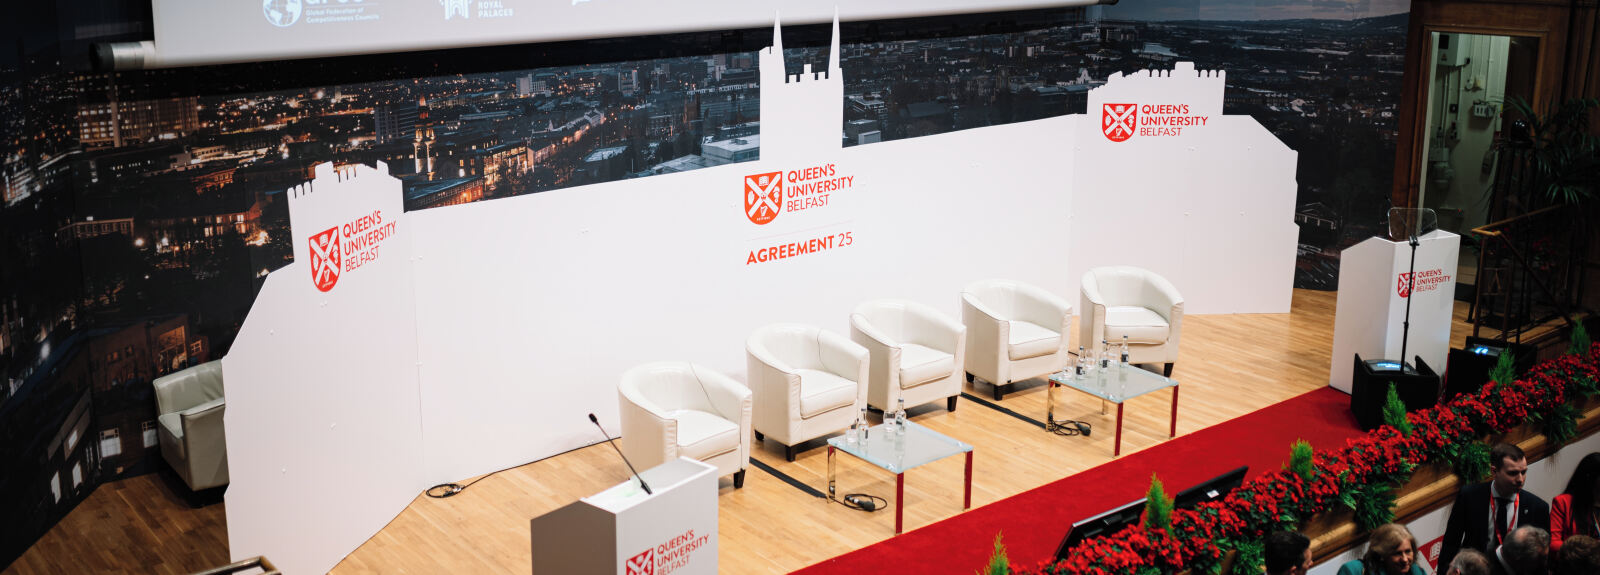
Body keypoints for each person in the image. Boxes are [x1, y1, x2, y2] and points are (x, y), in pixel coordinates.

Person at [1440, 443, 1552, 569]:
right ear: (1494, 471)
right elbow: (1450, 544)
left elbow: (1542, 558)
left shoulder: (1537, 507)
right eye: (1513, 473)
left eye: (1524, 472)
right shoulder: (1469, 496)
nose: (1520, 479)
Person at [1550, 453, 1600, 552]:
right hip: (1576, 559)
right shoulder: (1563, 502)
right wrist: (1587, 550)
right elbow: (1553, 543)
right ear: (1590, 478)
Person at [1337, 523, 1426, 575]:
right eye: (1397, 553)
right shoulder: (1353, 570)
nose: (1405, 559)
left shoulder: (1417, 572)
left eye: (1408, 551)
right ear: (1382, 554)